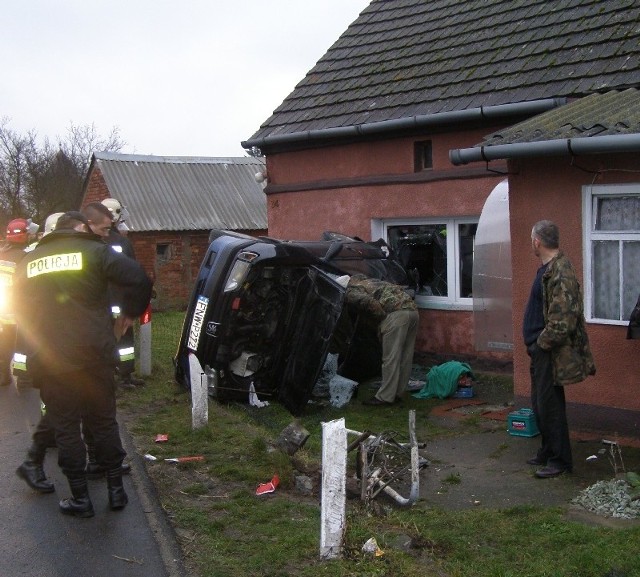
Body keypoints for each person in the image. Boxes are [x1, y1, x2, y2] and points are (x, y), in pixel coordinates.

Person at [13, 210, 152, 517]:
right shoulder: (94, 251)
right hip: (94, 354)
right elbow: (140, 278)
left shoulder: (29, 262)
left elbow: (17, 308)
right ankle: (117, 493)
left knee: (65, 426)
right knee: (103, 420)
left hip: (52, 359)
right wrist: (130, 311)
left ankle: (80, 499)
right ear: (78, 229)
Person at [523, 220, 596, 479]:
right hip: (539, 348)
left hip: (549, 350)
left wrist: (541, 345)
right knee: (540, 403)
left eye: (531, 239)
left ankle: (560, 460)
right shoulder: (548, 269)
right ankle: (547, 449)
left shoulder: (561, 272)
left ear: (537, 241)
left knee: (550, 405)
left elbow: (563, 321)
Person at [338, 273, 419, 406]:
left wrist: (382, 320)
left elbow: (370, 303)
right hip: (412, 311)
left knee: (390, 358)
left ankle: (385, 397)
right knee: (405, 356)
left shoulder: (350, 291)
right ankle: (398, 393)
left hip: (395, 314)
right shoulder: (368, 281)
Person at [0, 218, 38, 386]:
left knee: (4, 342)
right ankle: (23, 376)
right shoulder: (27, 257)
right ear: (25, 236)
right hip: (20, 309)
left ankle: (2, 374)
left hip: (3, 308)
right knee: (22, 344)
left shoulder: (1, 254)